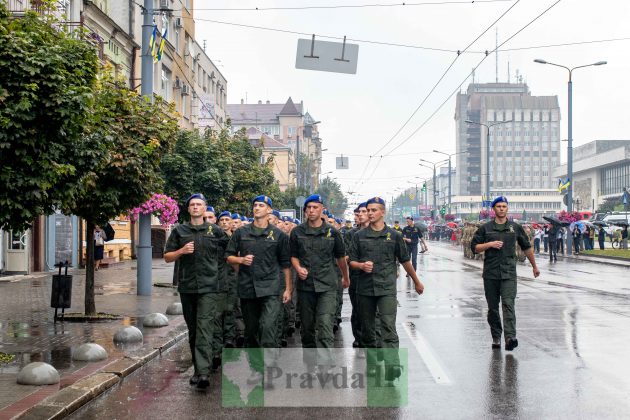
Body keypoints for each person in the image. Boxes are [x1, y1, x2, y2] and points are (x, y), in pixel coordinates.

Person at [348, 197, 424, 380]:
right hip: (365, 290)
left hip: (387, 289)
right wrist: (361, 266)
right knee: (367, 330)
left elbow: (405, 260)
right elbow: (351, 261)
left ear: (383, 212)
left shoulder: (395, 236)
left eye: (374, 210)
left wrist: (416, 281)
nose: (370, 213)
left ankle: (391, 365)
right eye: (369, 210)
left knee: (388, 326)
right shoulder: (358, 236)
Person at [164, 194, 229, 390]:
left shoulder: (216, 232)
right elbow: (167, 257)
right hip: (188, 286)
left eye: (199, 204)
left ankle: (203, 373)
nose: (195, 207)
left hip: (210, 288)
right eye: (192, 204)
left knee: (204, 328)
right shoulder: (179, 231)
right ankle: (197, 369)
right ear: (188, 209)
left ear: (205, 208)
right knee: (193, 330)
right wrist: (181, 251)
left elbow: (229, 253)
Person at [225, 196, 292, 361]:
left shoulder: (278, 235)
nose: (257, 208)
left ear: (269, 210)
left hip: (271, 288)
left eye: (261, 205)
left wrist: (288, 289)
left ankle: (269, 367)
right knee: (251, 331)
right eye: (255, 205)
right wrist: (241, 260)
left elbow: (285, 265)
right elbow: (228, 256)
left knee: (267, 327)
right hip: (248, 288)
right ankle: (256, 367)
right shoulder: (241, 233)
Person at [471, 196, 540, 351]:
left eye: (504, 206)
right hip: (491, 274)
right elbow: (474, 247)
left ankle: (510, 337)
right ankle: (496, 336)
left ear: (507, 208)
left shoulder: (515, 228)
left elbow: (527, 247)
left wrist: (534, 266)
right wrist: (488, 244)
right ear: (493, 209)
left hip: (509, 273)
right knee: (493, 308)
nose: (501, 209)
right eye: (498, 206)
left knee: (508, 304)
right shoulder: (485, 228)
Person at [290, 194, 350, 372]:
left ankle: (325, 364)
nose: (311, 210)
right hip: (306, 286)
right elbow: (292, 256)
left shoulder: (333, 232)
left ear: (322, 209)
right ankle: (310, 362)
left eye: (315, 207)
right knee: (307, 328)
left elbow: (340, 258)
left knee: (324, 324)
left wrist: (345, 277)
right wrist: (298, 267)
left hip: (327, 285)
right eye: (308, 208)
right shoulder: (297, 232)